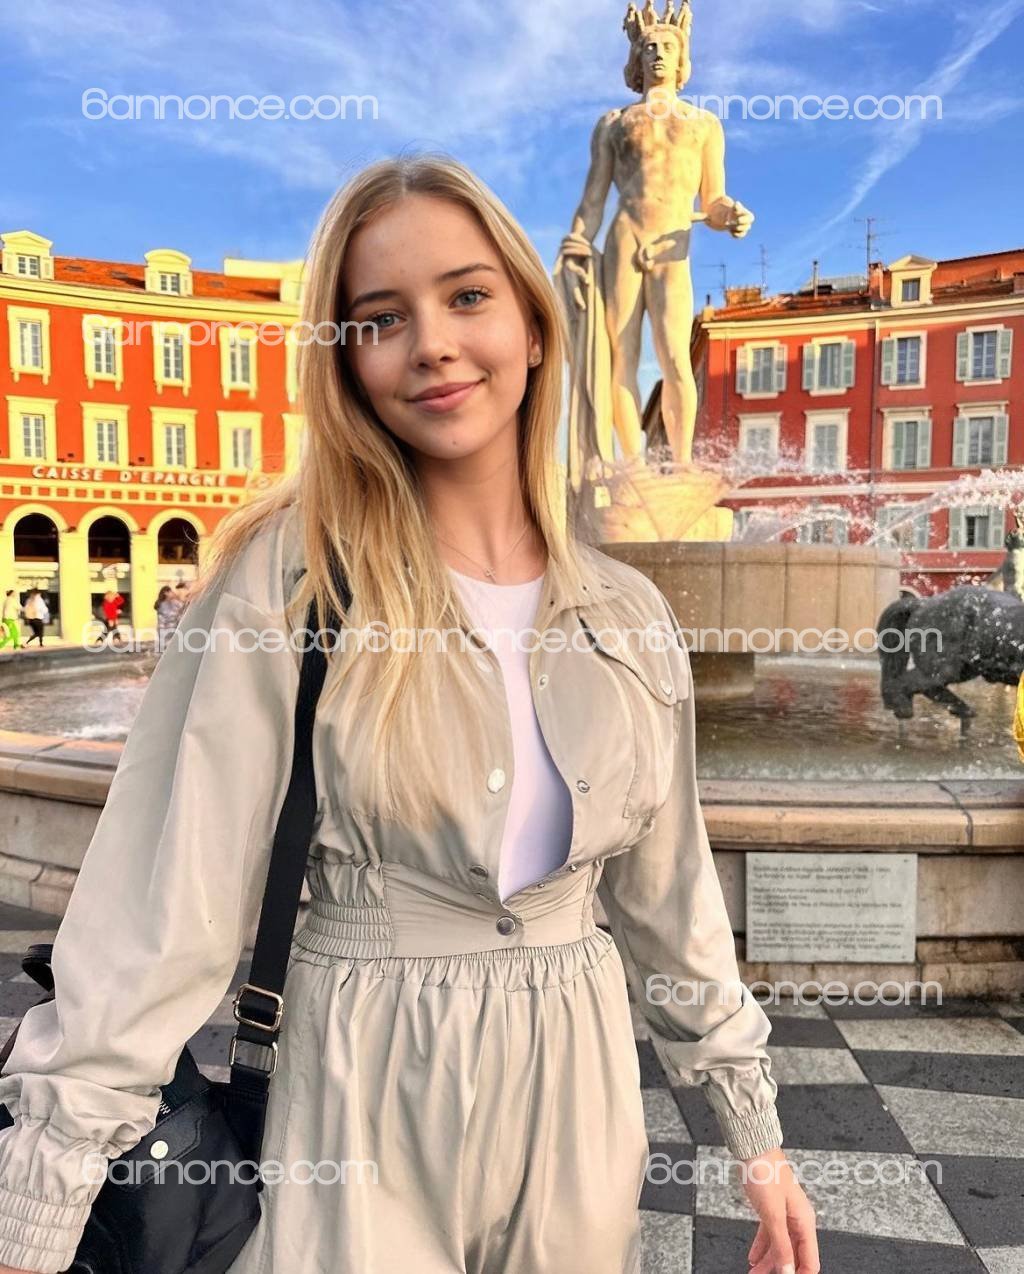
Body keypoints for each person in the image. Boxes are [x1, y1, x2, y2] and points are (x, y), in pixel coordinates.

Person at [0, 155, 818, 1274]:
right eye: (382, 318)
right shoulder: (288, 583)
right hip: (360, 1077)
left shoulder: (628, 614)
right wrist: (42, 1200)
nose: (432, 342)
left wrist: (754, 1134)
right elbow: (163, 899)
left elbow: (670, 896)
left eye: (467, 295)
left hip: (579, 1084)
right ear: (346, 361)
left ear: (534, 326)